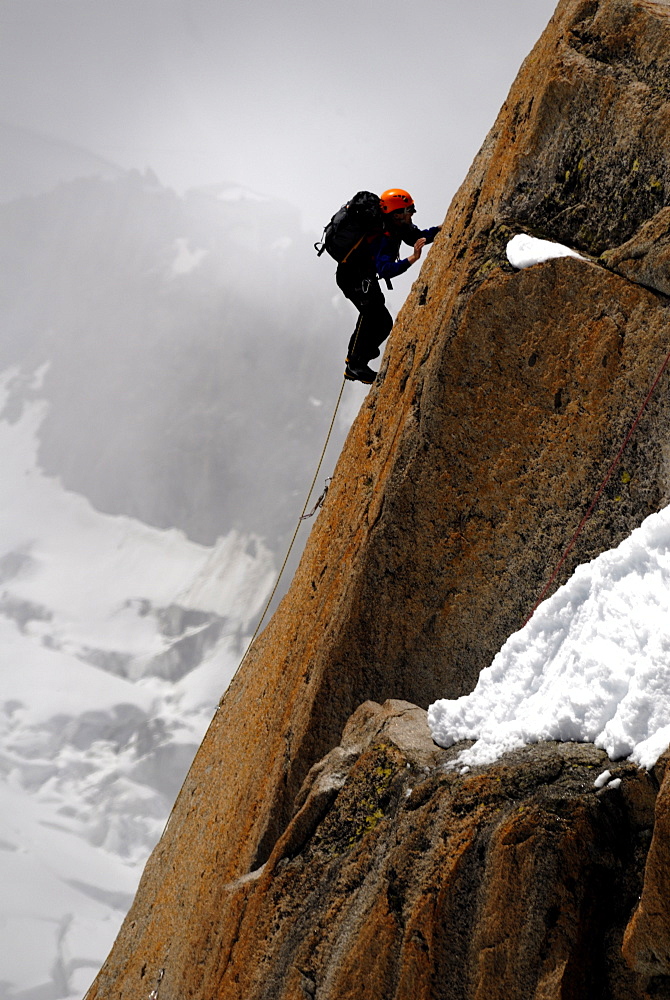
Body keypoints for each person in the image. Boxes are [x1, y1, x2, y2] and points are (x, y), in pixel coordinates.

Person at [336, 189, 441, 384]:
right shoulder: (382, 235)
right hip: (353, 278)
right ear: (397, 214)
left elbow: (416, 237)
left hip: (362, 277)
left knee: (380, 320)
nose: (413, 213)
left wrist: (441, 229)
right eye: (409, 210)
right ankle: (355, 364)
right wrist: (412, 259)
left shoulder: (397, 226)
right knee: (374, 317)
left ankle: (358, 359)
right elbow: (385, 269)